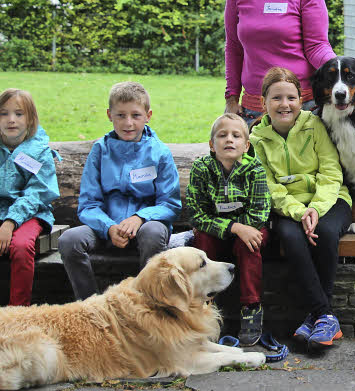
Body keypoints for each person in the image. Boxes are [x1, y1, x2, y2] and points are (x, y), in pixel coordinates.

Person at [249, 67, 352, 350]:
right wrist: (299, 211)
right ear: (264, 102)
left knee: (327, 233)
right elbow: (269, 188)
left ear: (301, 99)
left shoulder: (314, 124)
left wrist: (316, 209)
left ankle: (317, 316)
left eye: (291, 97)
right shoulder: (256, 140)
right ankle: (324, 315)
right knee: (292, 237)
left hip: (330, 199)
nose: (285, 105)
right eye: (277, 98)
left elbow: (331, 172)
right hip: (287, 207)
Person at [59, 82, 180, 300]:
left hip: (145, 228)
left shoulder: (160, 153)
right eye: (120, 115)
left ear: (148, 115)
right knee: (69, 240)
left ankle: (148, 303)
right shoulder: (100, 150)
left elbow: (170, 204)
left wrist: (140, 217)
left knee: (153, 233)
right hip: (105, 226)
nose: (128, 123)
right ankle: (90, 305)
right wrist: (108, 227)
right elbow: (88, 204)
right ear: (109, 114)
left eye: (135, 115)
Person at [185, 113, 271, 346]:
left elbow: (259, 213)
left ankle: (251, 306)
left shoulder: (254, 170)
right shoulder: (202, 169)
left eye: (236, 136)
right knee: (202, 241)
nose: (229, 140)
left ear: (246, 145)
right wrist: (233, 227)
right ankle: (204, 303)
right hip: (218, 230)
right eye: (222, 135)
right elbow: (196, 214)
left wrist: (242, 230)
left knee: (249, 242)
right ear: (212, 145)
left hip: (250, 230)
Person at [0, 89, 60, 306]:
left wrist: (10, 221)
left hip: (30, 214)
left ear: (31, 118)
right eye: (3, 113)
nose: (11, 120)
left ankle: (18, 312)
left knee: (22, 246)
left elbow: (38, 193)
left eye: (19, 113)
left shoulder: (39, 151)